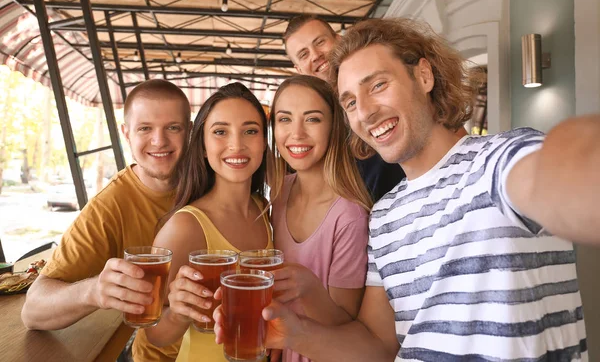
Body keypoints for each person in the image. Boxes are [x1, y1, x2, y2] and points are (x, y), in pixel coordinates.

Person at [215, 18, 597, 361]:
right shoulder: (383, 216)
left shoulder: (496, 161)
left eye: (378, 85)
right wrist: (296, 335)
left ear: (425, 76)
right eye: (349, 102)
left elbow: (564, 171)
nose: (365, 112)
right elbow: (378, 346)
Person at [21, 79, 192, 362]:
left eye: (173, 128)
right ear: (126, 133)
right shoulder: (110, 206)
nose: (159, 140)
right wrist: (95, 291)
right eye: (145, 128)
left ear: (190, 132)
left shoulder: (211, 178)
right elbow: (33, 311)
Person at [143, 83, 273, 361]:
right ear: (202, 146)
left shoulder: (264, 210)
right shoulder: (184, 227)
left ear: (264, 142)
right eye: (220, 132)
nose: (236, 144)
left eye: (250, 131)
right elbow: (152, 334)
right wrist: (177, 313)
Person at [268, 75, 372, 362]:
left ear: (334, 128)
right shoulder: (277, 195)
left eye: (312, 119)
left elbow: (347, 327)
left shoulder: (350, 215)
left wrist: (309, 289)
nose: (296, 134)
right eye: (284, 119)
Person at [283, 14, 406, 201]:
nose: (315, 55)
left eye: (320, 42)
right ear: (299, 69)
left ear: (338, 40)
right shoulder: (309, 122)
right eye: (304, 54)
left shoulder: (375, 77)